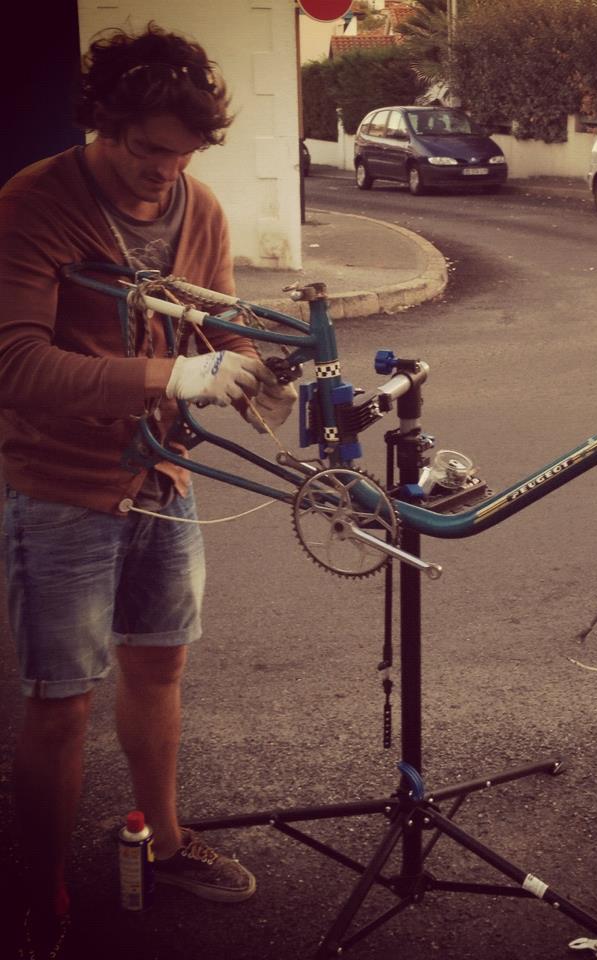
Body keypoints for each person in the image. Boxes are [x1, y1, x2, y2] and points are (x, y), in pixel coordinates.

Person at [0, 24, 297, 958]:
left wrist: (253, 375)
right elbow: (15, 366)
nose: (164, 172)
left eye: (184, 154)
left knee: (160, 668)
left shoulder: (196, 206)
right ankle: (38, 896)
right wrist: (167, 377)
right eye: (147, 149)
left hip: (162, 475)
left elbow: (216, 326)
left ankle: (163, 842)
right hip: (60, 487)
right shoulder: (34, 202)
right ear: (103, 121)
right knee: (61, 702)